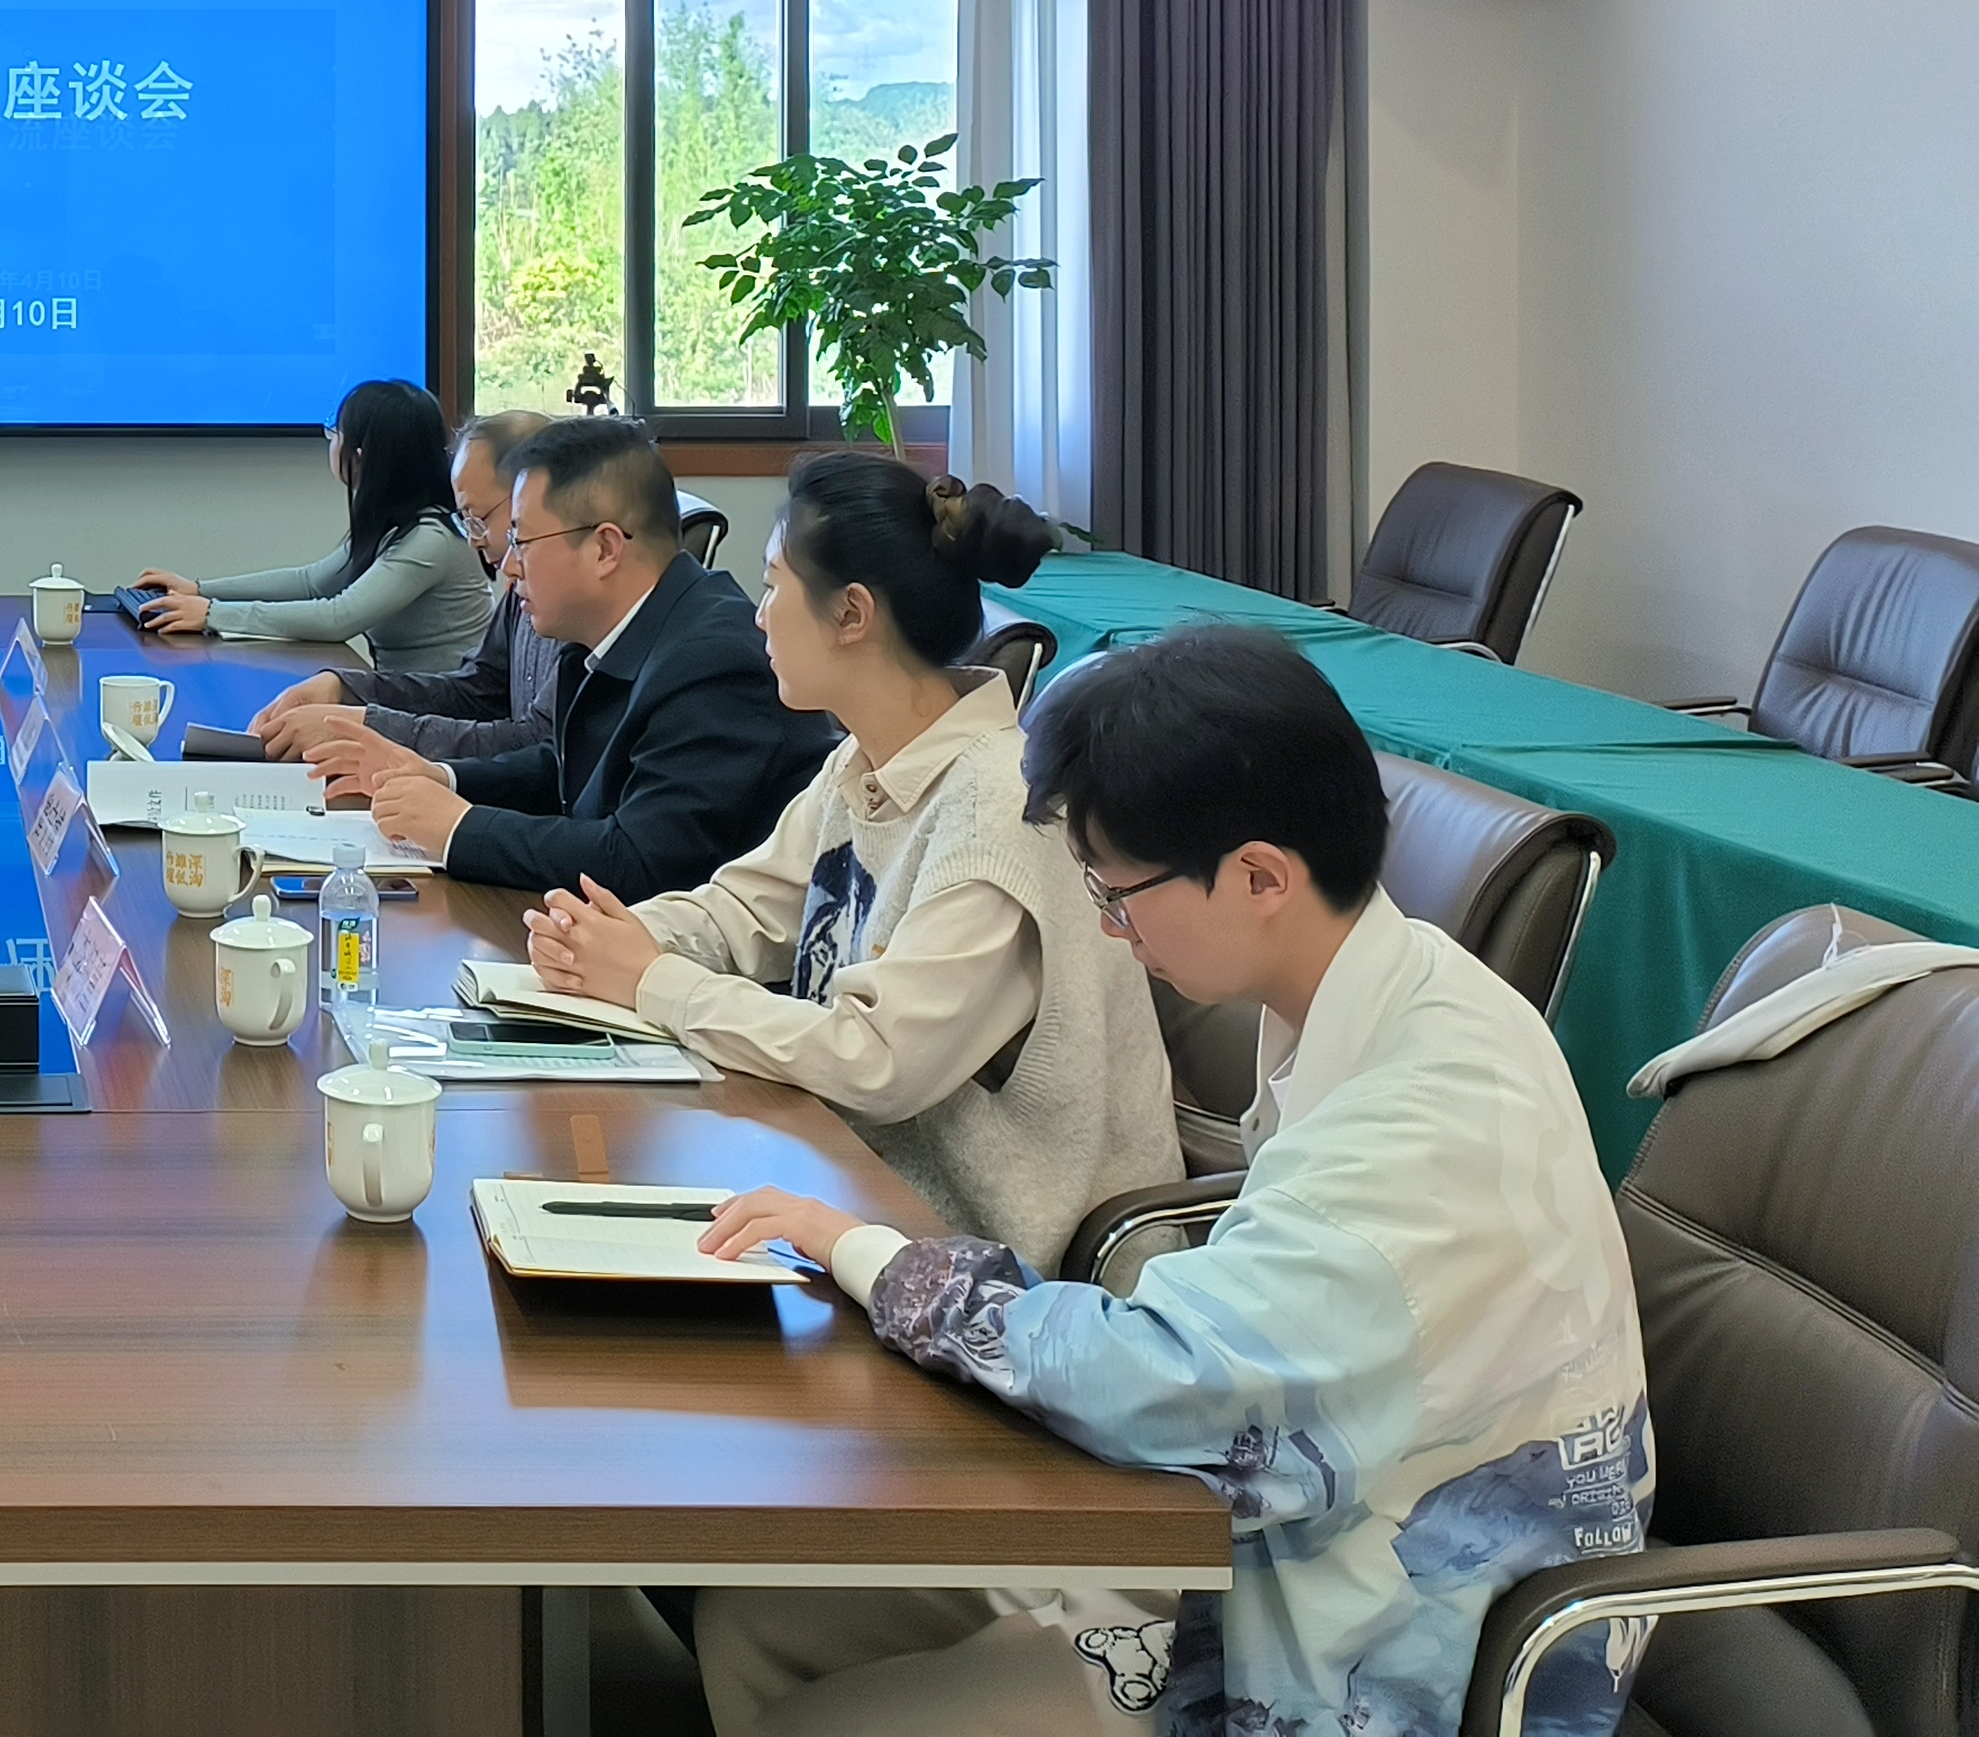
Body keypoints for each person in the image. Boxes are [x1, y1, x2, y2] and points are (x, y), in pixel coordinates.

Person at [683, 625, 1653, 1737]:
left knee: (821, 1709)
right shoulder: (1403, 990)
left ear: (1259, 876)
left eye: (1118, 894)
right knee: (761, 1622)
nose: (1111, 930)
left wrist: (870, 1255)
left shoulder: (1427, 1127)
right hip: (1267, 1523)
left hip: (1356, 1643)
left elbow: (1162, 1386)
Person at [509, 446, 1174, 1273]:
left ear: (852, 614)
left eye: (772, 586)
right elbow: (744, 911)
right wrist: (605, 940)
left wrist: (652, 980)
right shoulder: (861, 762)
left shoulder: (998, 812)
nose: (758, 618)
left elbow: (877, 1059)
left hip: (993, 1269)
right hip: (855, 1194)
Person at [306, 414, 830, 901]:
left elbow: (643, 862)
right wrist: (442, 778)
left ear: (605, 549)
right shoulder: (614, 631)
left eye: (522, 540)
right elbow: (565, 769)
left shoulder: (714, 664)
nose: (508, 566)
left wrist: (458, 828)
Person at [254, 406, 559, 760]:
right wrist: (344, 687)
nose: (474, 541)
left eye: (478, 518)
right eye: (465, 521)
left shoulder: (574, 605)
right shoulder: (520, 593)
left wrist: (363, 725)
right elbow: (478, 692)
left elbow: (536, 746)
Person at [131, 377, 494, 674]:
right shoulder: (397, 524)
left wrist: (213, 613)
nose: (331, 440)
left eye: (335, 433)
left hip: (444, 716)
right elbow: (312, 583)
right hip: (408, 703)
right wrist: (198, 590)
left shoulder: (431, 539)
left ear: (360, 457)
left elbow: (339, 618)